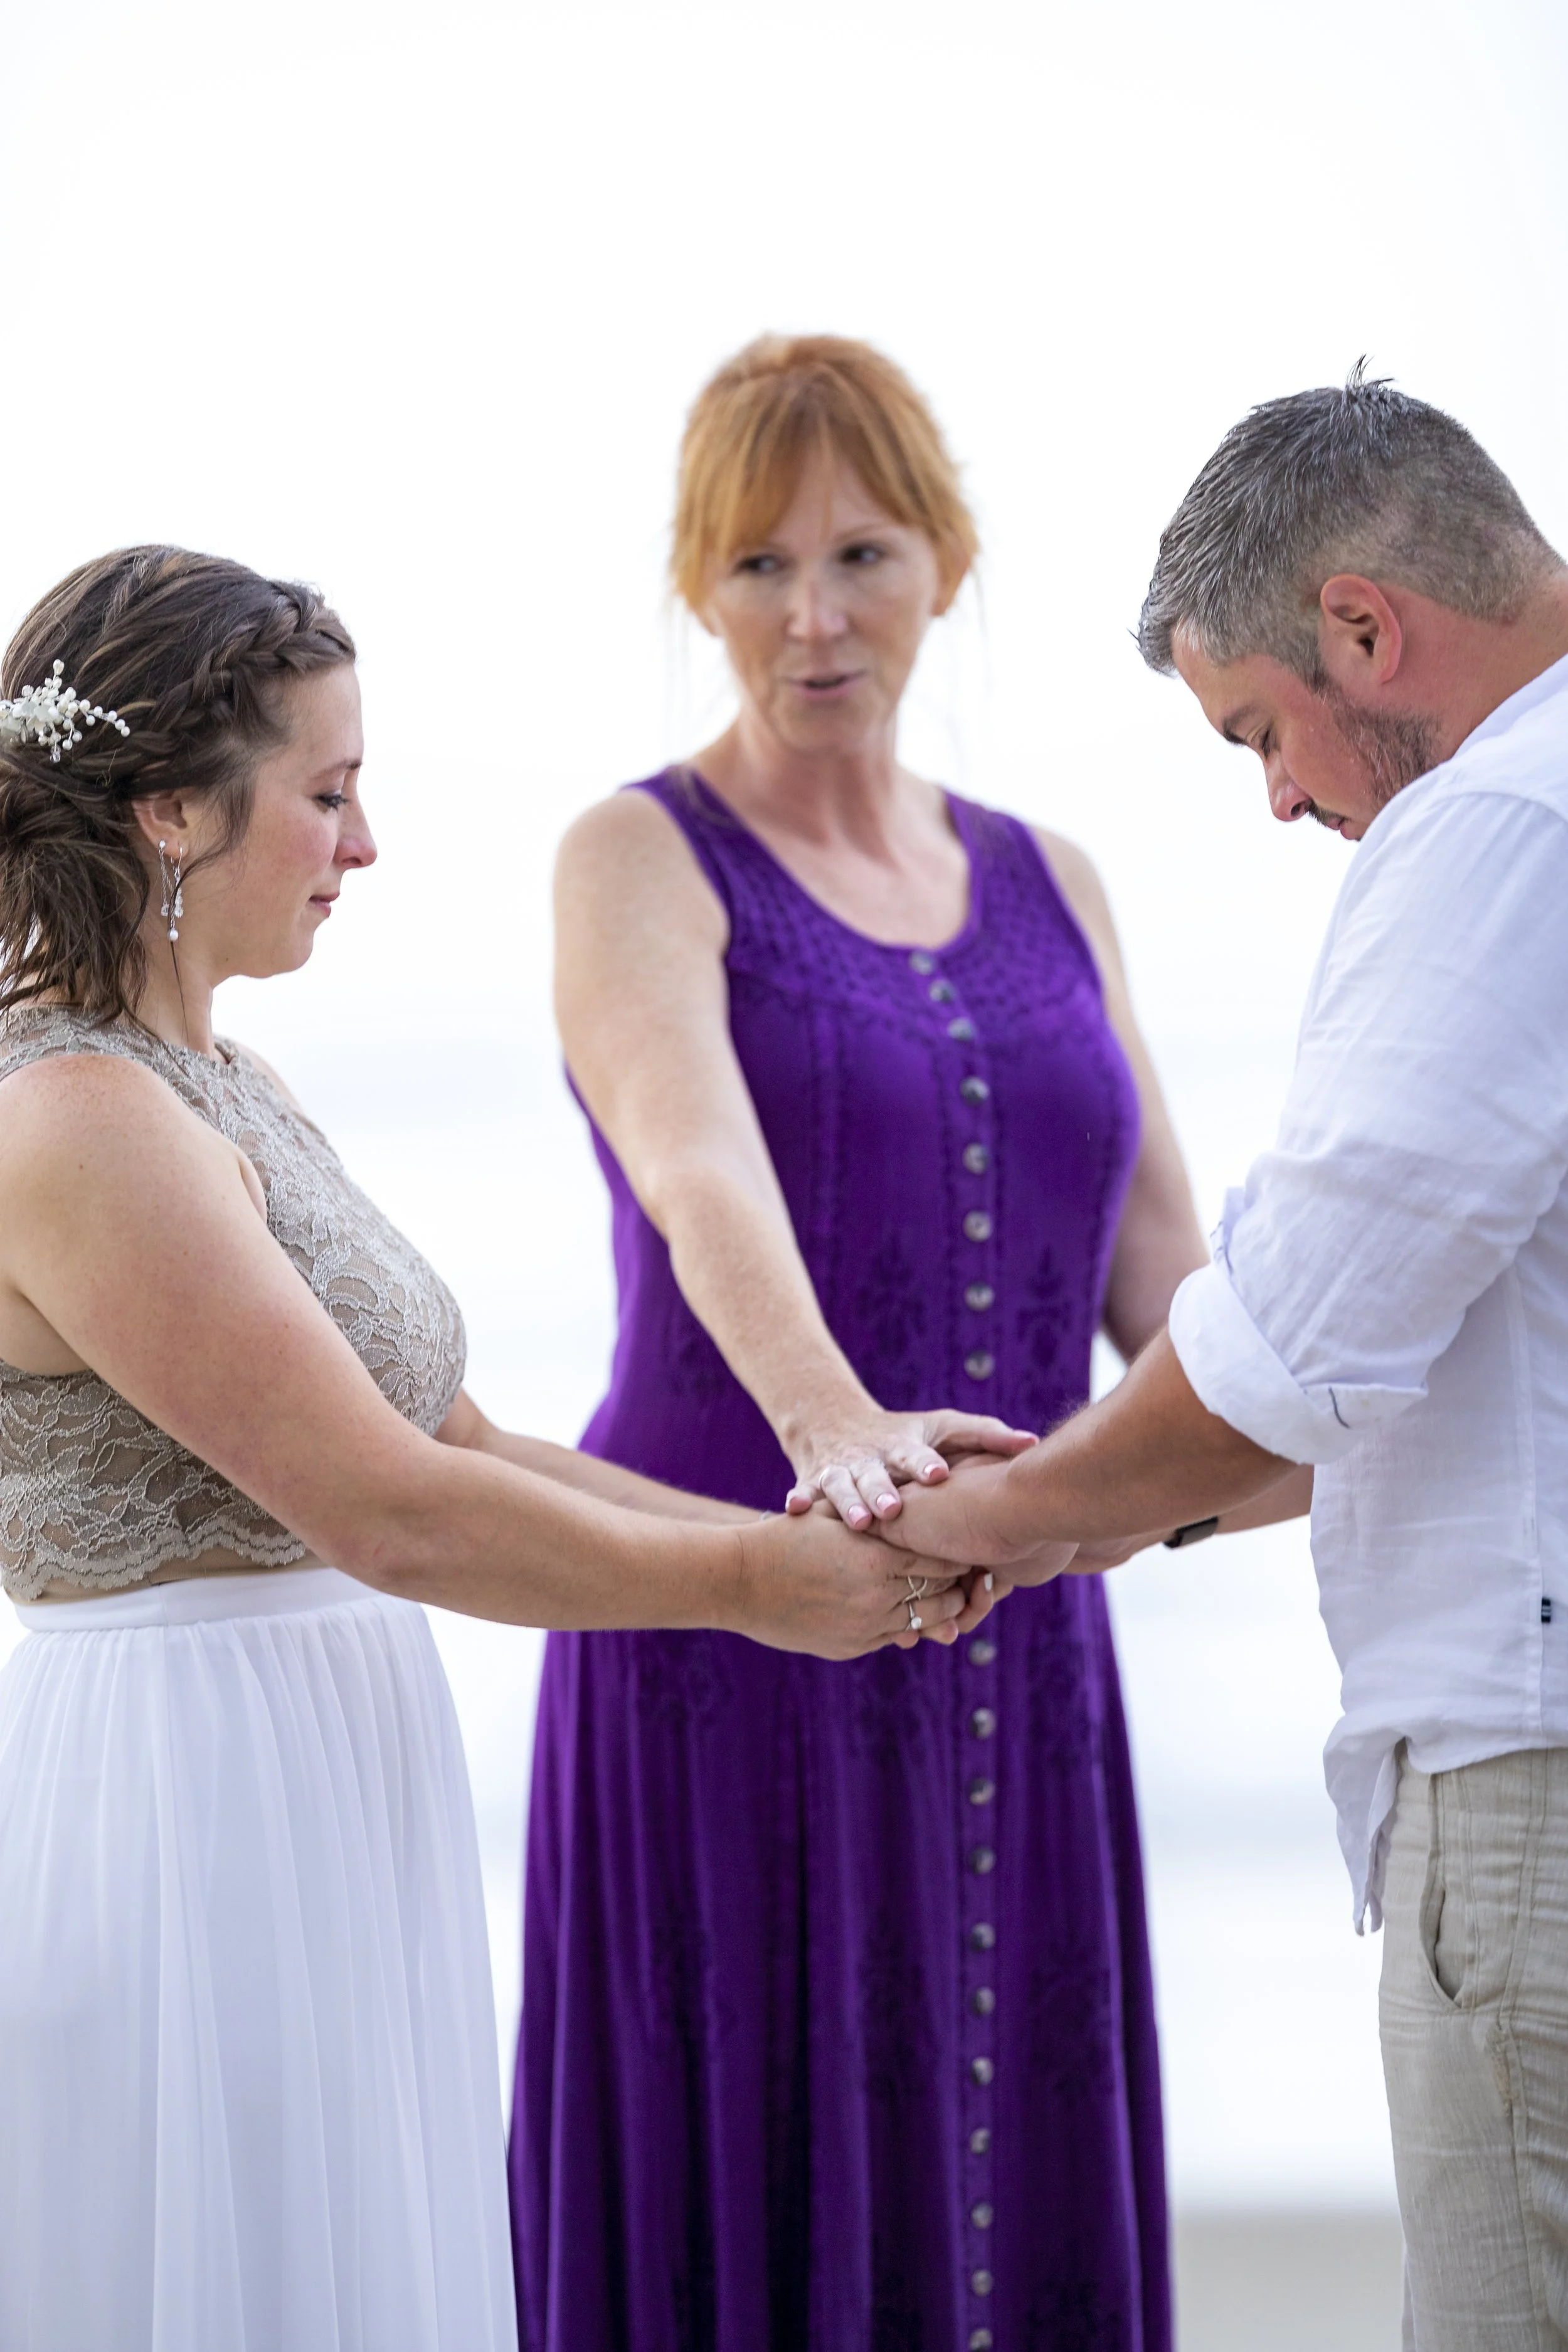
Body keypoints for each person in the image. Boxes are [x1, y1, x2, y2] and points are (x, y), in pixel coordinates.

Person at [0, 546, 969, 2352]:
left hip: (326, 1760)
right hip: (186, 1796)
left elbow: (467, 1439)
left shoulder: (236, 1086)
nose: (362, 846)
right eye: (328, 791)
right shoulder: (68, 1117)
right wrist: (769, 1591)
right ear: (169, 819)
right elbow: (390, 1510)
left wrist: (843, 1510)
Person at [511, 333, 1223, 2351]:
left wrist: (1264, 1451)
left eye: (859, 552)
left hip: (1023, 1623)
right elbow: (694, 1167)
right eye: (753, 565)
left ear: (949, 560)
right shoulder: (634, 853)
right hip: (736, 1606)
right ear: (692, 587)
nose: (810, 614)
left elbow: (1168, 1286)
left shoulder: (1049, 878)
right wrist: (845, 1446)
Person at [881, 369, 1568, 2352]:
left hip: (1529, 1772)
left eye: (1263, 728)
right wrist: (1123, 1505)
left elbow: (1303, 1330)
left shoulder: (1489, 828)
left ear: (1364, 625)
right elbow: (1409, 1335)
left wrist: (1009, 1515)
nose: (1279, 795)